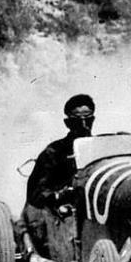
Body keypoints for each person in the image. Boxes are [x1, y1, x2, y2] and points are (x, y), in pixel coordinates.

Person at [21, 94, 95, 253]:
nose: (83, 125)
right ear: (68, 123)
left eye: (88, 119)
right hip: (58, 215)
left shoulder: (100, 149)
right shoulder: (54, 152)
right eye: (77, 120)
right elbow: (35, 194)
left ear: (93, 120)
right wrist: (58, 195)